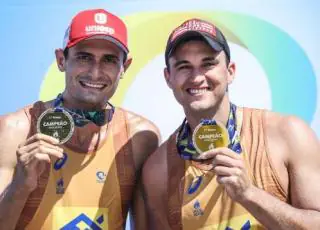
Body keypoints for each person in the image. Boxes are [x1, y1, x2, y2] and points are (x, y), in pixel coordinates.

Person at [142, 18, 320, 229]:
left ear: (230, 71)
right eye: (184, 66)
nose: (197, 77)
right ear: (168, 77)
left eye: (208, 64)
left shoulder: (288, 133)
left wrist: (249, 194)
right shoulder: (157, 169)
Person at [0, 9, 160, 230]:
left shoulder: (139, 137)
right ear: (61, 60)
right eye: (84, 57)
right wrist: (21, 186)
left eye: (109, 60)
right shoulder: (17, 128)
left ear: (125, 66)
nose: (95, 72)